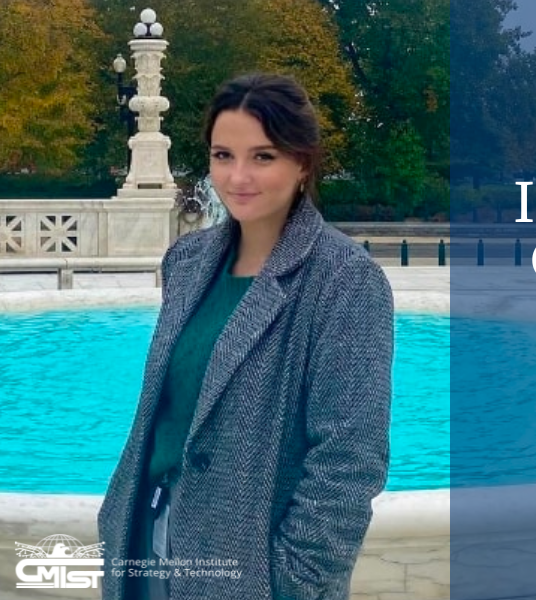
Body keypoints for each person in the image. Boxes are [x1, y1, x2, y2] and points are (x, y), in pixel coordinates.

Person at [97, 73, 394, 600]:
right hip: (148, 534)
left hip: (252, 567)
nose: (237, 177)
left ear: (302, 162)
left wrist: (293, 582)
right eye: (222, 155)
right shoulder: (186, 262)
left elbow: (351, 459)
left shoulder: (345, 280)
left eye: (263, 156)